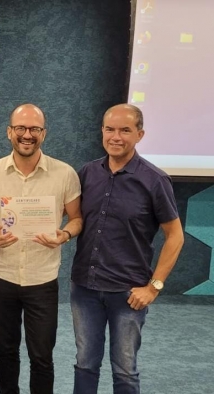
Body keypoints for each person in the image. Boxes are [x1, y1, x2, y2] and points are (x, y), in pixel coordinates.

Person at [70, 104, 184, 394]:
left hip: (129, 294)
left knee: (124, 370)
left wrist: (154, 286)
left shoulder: (154, 180)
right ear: (102, 132)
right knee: (85, 364)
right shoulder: (87, 173)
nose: (115, 136)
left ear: (140, 134)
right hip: (85, 288)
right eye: (110, 129)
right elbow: (72, 217)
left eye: (125, 130)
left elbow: (175, 236)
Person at [0, 103, 83, 394]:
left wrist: (63, 235)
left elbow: (77, 218)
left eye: (34, 129)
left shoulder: (64, 174)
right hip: (1, 276)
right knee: (6, 351)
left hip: (42, 279)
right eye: (21, 128)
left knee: (42, 357)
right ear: (9, 132)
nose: (27, 134)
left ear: (44, 133)